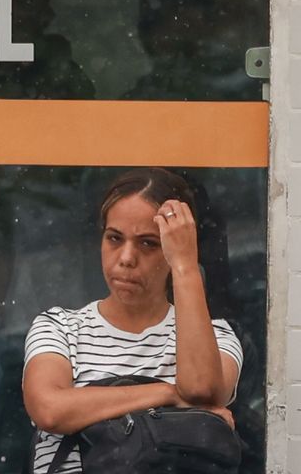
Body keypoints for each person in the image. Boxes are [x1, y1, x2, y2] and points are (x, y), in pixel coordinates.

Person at [22, 167, 243, 473]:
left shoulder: (216, 336)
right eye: (114, 238)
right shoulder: (60, 327)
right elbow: (49, 409)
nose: (126, 257)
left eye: (148, 243)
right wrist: (168, 394)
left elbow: (201, 390)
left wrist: (185, 266)